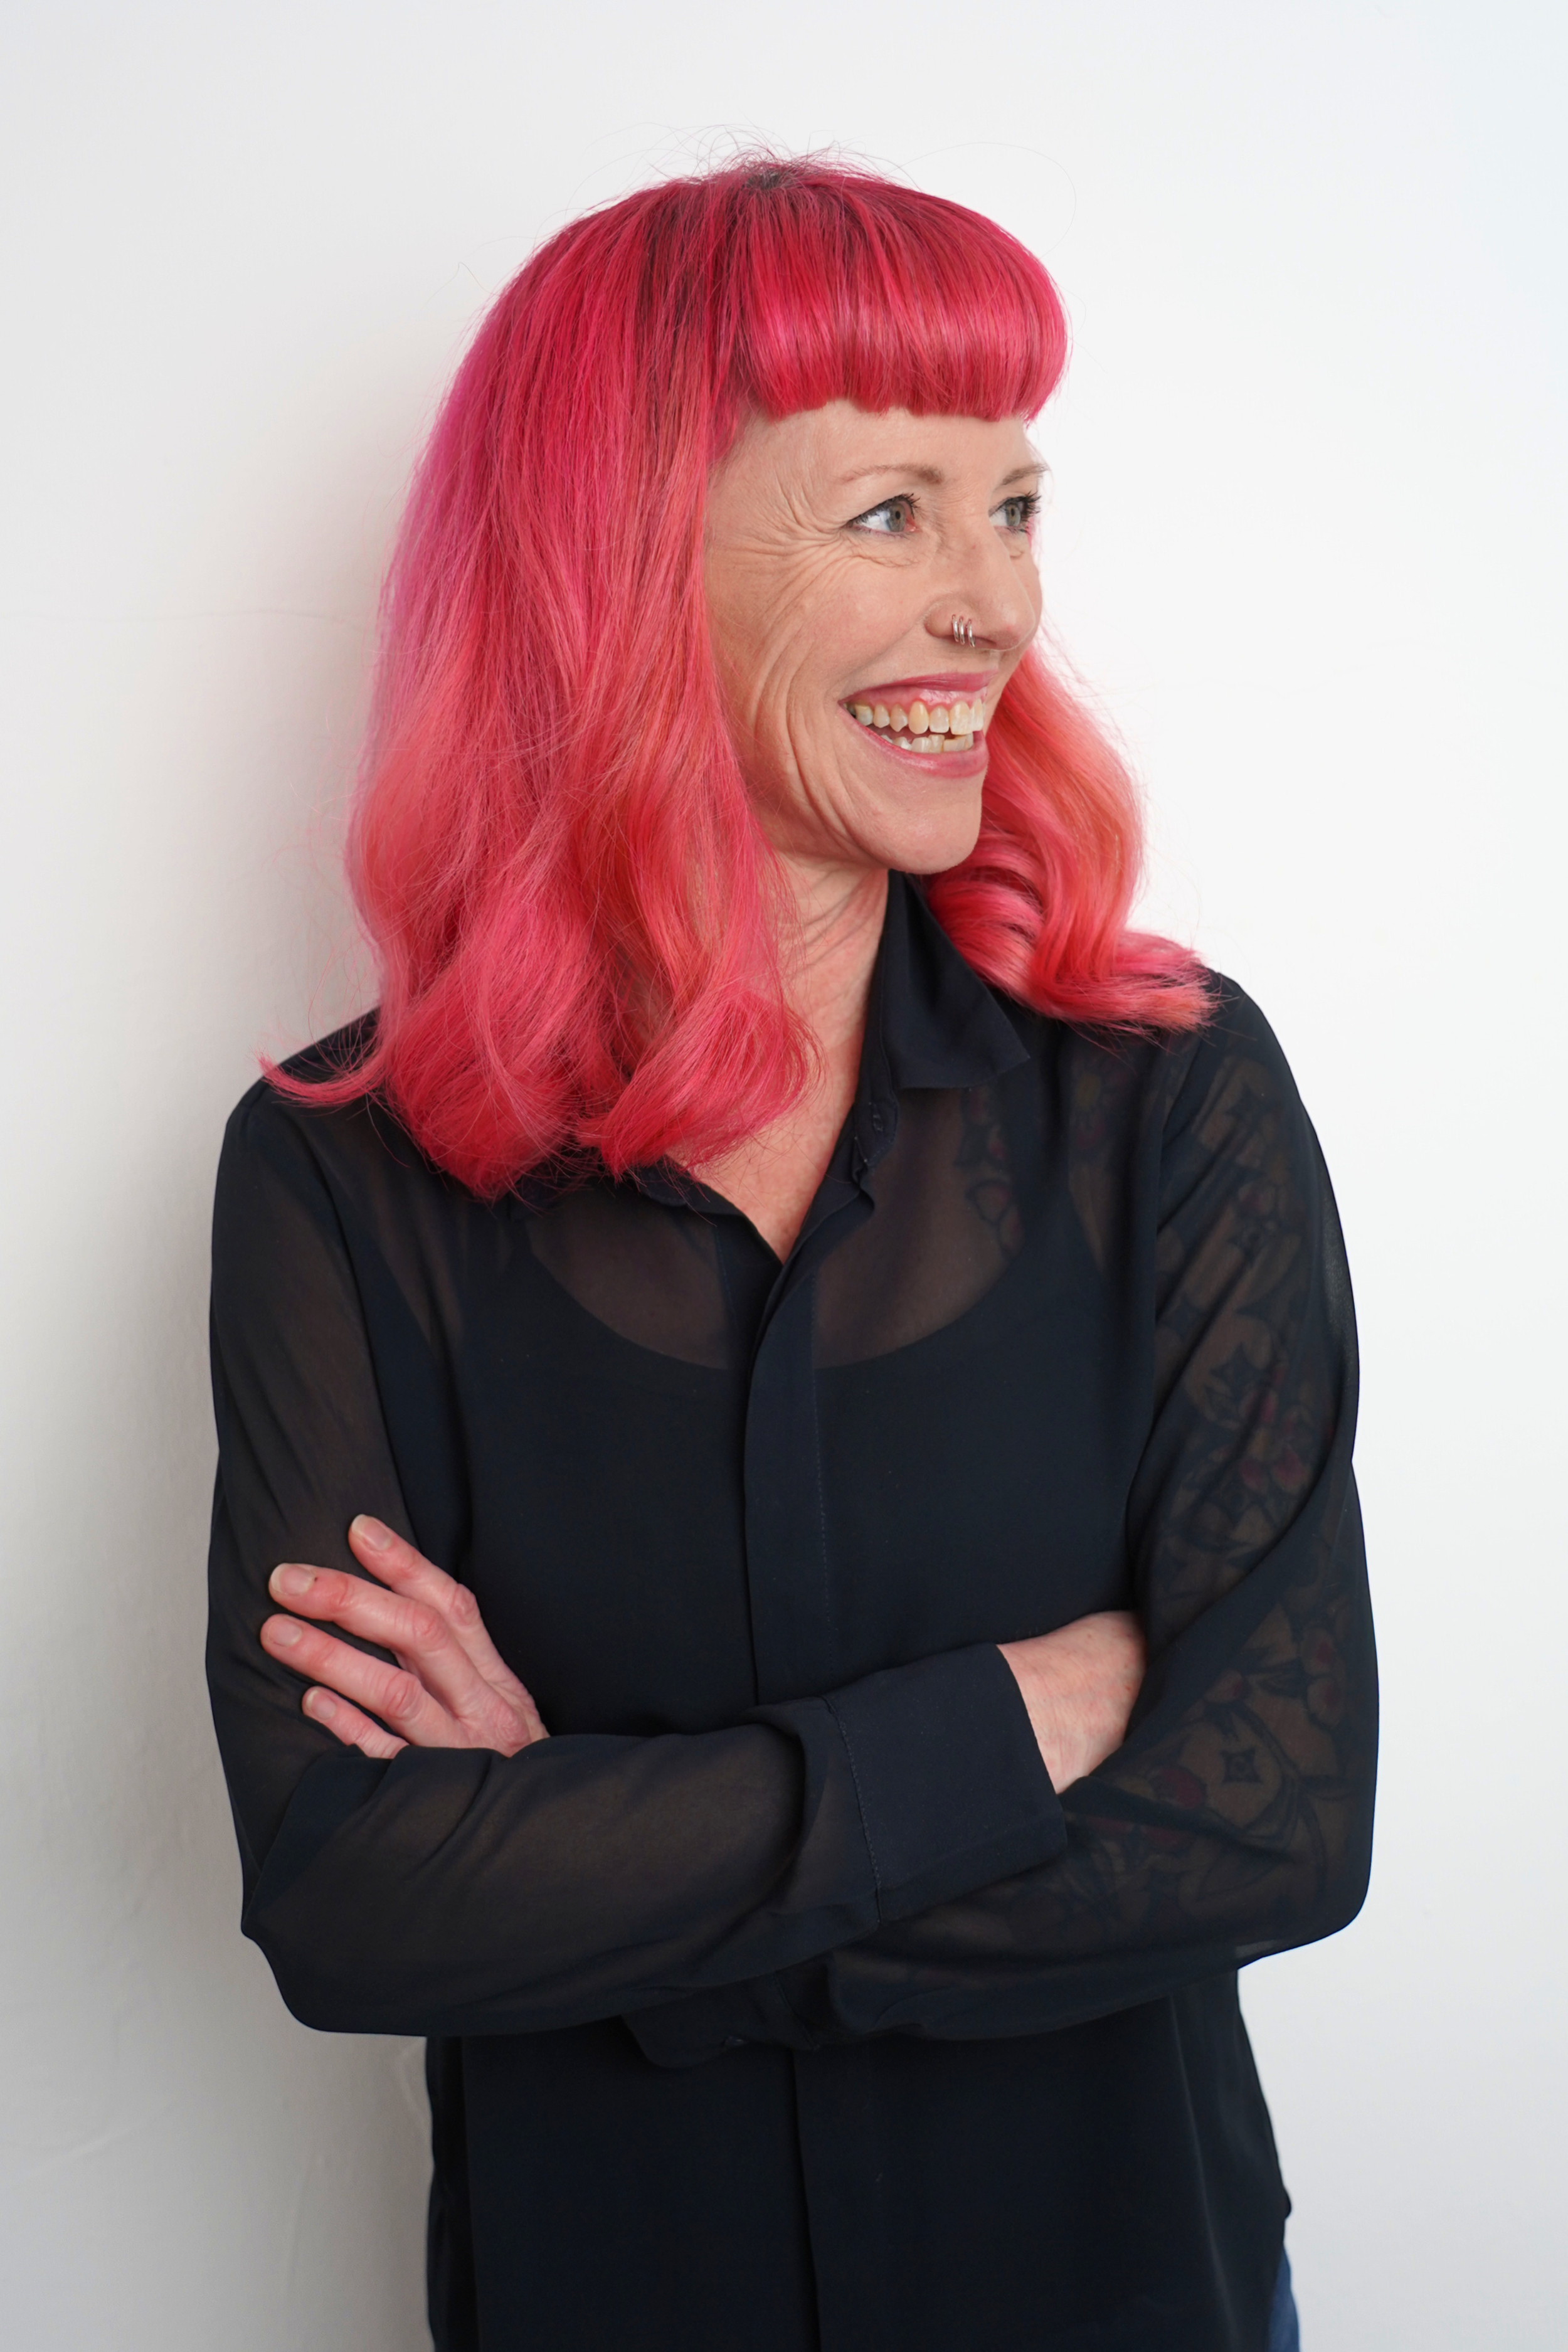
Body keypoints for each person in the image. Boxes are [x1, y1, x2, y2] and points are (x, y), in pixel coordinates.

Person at [205, 157, 1373, 2352]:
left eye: (1012, 507)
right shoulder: (336, 1176)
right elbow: (356, 1904)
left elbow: (1277, 1822)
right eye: (888, 515)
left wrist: (580, 1874)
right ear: (621, 565)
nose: (997, 606)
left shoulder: (1166, 1100)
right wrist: (1005, 1728)